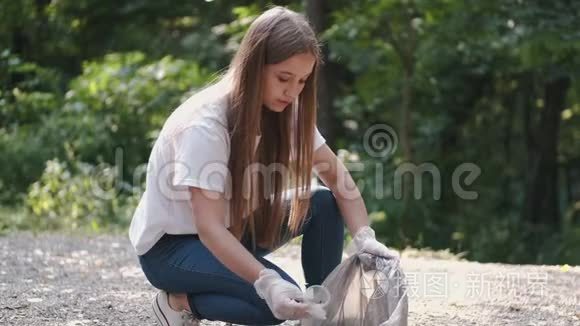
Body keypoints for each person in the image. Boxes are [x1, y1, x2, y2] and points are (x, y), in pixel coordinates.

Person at [128, 6, 400, 326]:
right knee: (273, 305)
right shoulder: (204, 125)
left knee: (324, 203)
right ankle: (178, 302)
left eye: (302, 81)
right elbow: (209, 228)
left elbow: (338, 179)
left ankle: (319, 317)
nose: (293, 91)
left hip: (236, 229)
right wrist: (268, 283)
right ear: (254, 66)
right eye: (284, 78)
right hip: (172, 250)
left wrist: (364, 237)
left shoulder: (286, 110)